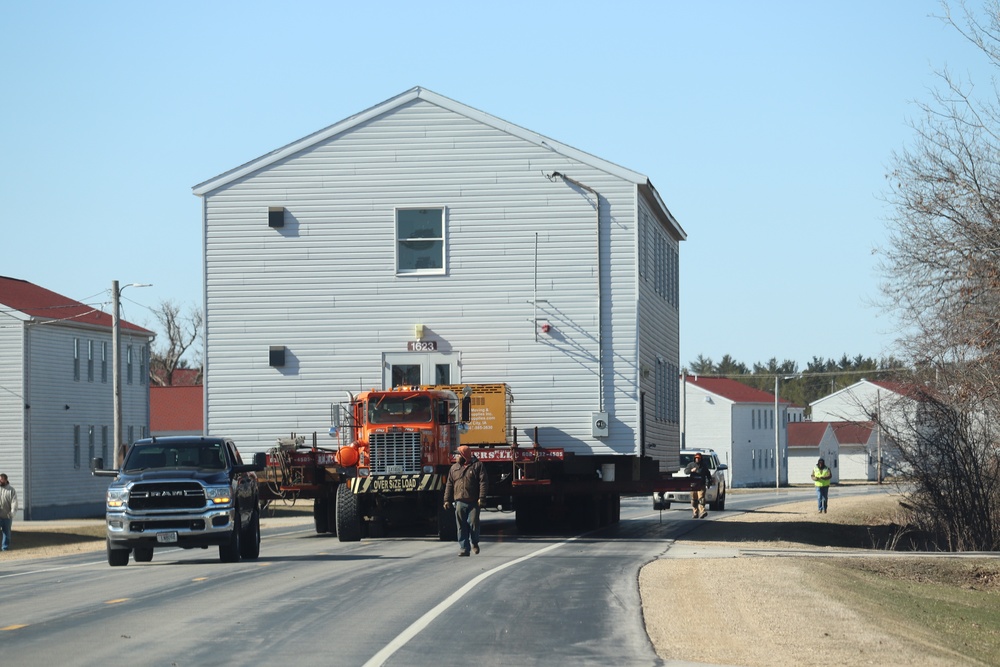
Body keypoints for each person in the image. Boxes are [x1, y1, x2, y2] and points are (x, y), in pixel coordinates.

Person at [443, 445, 488, 556]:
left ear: (464, 455)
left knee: (473, 523)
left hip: (473, 502)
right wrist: (446, 500)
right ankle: (464, 548)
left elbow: (483, 483)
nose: (456, 457)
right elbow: (449, 485)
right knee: (461, 526)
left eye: (458, 454)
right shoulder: (454, 468)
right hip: (459, 502)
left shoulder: (478, 466)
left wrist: (481, 498)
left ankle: (475, 542)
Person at [684, 452, 712, 519]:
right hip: (693, 485)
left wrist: (708, 482)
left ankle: (702, 512)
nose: (697, 459)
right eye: (696, 458)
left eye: (698, 458)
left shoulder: (704, 466)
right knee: (694, 500)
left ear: (701, 459)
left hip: (701, 485)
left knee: (701, 499)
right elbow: (686, 471)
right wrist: (691, 470)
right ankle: (695, 513)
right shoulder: (691, 465)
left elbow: (708, 474)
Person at [0, 473, 18, 551]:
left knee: (6, 533)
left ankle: (5, 548)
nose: (0, 481)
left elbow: (14, 502)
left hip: (7, 516)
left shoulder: (11, 490)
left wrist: (12, 512)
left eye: (1, 479)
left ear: (6, 480)